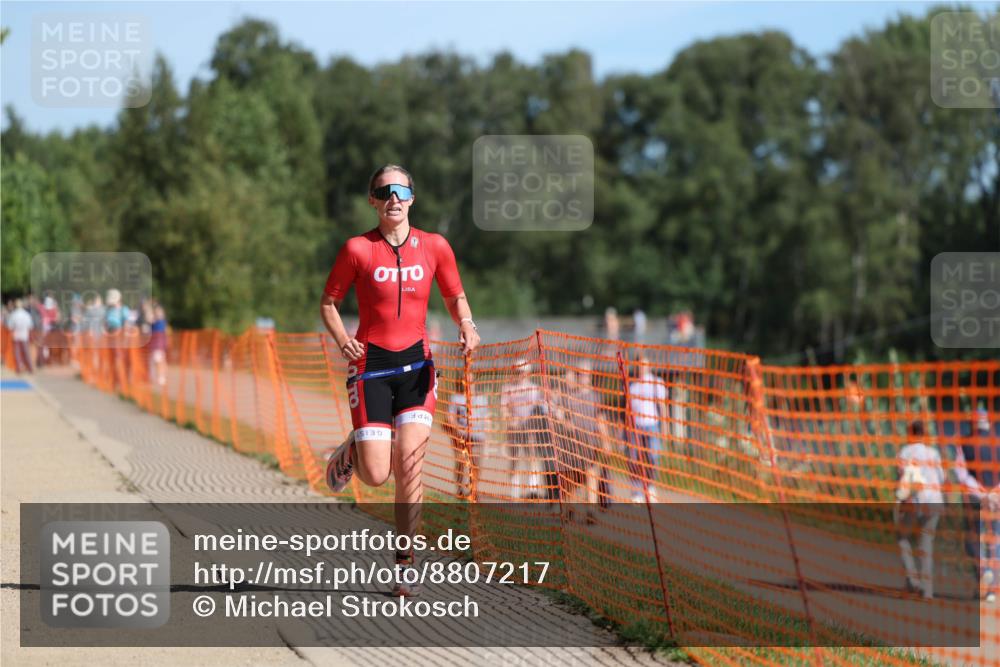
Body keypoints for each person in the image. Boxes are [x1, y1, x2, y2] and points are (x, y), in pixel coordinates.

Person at [321, 164, 479, 597]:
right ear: (372, 200)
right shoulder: (357, 249)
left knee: (410, 464)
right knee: (375, 474)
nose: (393, 197)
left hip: (416, 367)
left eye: (400, 190)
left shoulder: (435, 246)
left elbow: (454, 294)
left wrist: (466, 323)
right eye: (383, 191)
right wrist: (341, 340)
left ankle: (405, 563)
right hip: (370, 366)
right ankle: (357, 447)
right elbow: (329, 303)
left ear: (412, 197)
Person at [551, 361, 610, 521]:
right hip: (572, 445)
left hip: (590, 444)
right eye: (580, 374)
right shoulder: (569, 396)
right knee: (572, 480)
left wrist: (605, 441)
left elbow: (600, 419)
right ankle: (569, 509)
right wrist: (564, 422)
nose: (583, 377)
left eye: (585, 374)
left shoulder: (595, 396)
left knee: (591, 474)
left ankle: (591, 511)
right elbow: (559, 414)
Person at [953, 408, 1000, 602]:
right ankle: (991, 589)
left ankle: (982, 575)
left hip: (975, 499)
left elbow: (961, 473)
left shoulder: (963, 443)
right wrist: (993, 493)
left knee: (972, 539)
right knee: (995, 541)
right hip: (997, 498)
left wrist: (981, 493)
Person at [894, 421, 945, 600]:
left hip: (914, 502)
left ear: (910, 432)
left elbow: (901, 479)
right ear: (924, 434)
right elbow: (942, 477)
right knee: (926, 544)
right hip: (935, 502)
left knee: (902, 537)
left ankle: (912, 581)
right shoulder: (934, 453)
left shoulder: (904, 452)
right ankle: (927, 590)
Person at [501, 359, 548, 499]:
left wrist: (533, 424)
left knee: (532, 457)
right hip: (514, 428)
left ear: (528, 373)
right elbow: (503, 408)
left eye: (523, 372)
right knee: (514, 459)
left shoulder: (534, 388)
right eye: (519, 371)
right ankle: (514, 491)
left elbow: (539, 409)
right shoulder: (508, 388)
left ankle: (532, 490)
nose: (521, 374)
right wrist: (511, 420)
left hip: (530, 428)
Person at [626, 354, 667, 502]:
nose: (642, 368)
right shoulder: (632, 385)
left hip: (652, 425)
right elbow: (627, 409)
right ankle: (636, 490)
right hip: (635, 426)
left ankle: (650, 487)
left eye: (644, 364)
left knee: (653, 457)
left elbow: (662, 406)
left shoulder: (657, 383)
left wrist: (665, 428)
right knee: (635, 459)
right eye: (639, 365)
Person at [444, 389, 489, 498]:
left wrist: (487, 435)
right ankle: (460, 490)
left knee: (476, 464)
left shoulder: (482, 398)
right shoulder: (456, 397)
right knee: (461, 463)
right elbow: (450, 416)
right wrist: (458, 430)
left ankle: (473, 491)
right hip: (461, 436)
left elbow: (487, 418)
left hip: (477, 436)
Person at [7, 299, 34, 374]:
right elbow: (30, 326)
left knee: (17, 352)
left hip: (16, 335)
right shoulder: (26, 314)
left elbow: (10, 326)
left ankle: (18, 368)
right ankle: (30, 368)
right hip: (24, 335)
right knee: (26, 352)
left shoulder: (14, 314)